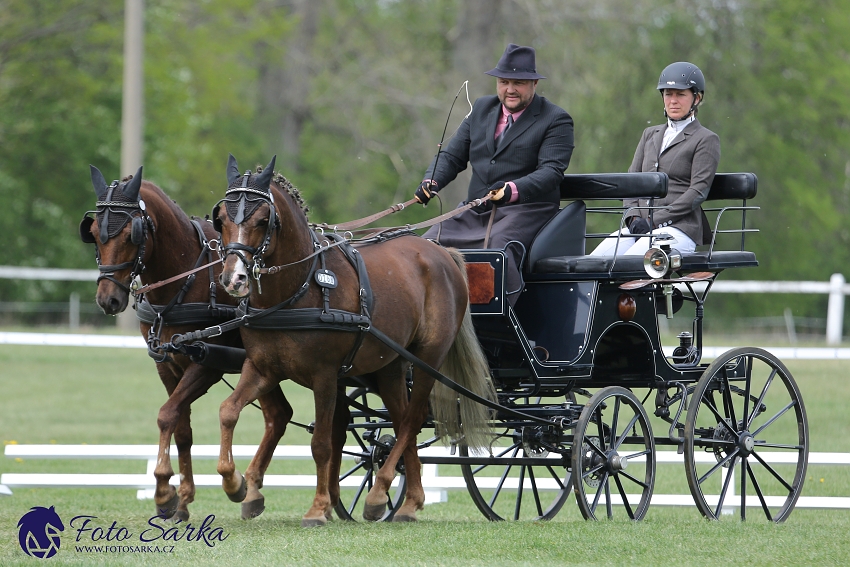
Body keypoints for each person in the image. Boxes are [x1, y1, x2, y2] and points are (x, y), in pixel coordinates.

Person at [414, 43, 574, 306]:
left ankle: (501, 323)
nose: (510, 89)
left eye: (518, 82)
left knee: (496, 250)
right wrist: (432, 180)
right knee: (426, 245)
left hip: (527, 210)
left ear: (534, 84)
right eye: (504, 81)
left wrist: (511, 190)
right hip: (475, 210)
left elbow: (551, 172)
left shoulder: (555, 119)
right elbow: (452, 156)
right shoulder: (481, 109)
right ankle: (430, 314)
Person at [591, 61, 720, 257]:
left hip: (679, 228)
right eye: (668, 94)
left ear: (697, 98)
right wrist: (633, 218)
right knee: (594, 262)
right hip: (640, 228)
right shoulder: (649, 134)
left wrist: (655, 220)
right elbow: (631, 181)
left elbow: (698, 191)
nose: (673, 101)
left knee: (629, 262)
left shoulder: (705, 139)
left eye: (681, 94)